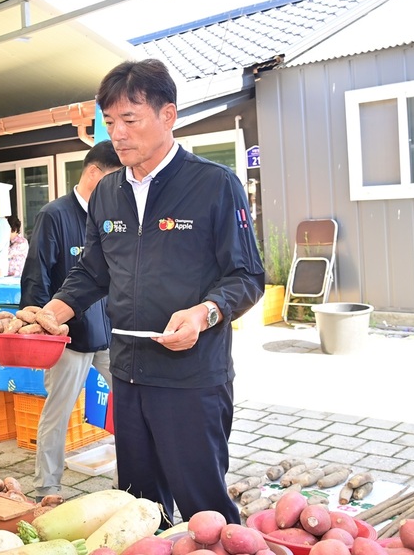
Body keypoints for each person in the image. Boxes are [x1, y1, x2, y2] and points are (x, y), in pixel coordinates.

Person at [41, 58, 264, 526]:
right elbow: (92, 271)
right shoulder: (107, 193)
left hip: (192, 375)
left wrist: (205, 313)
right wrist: (53, 312)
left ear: (168, 116)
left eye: (129, 119)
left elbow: (246, 277)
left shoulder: (213, 185)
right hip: (128, 373)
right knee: (138, 508)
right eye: (109, 122)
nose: (117, 134)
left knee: (205, 507)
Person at [20, 141, 121, 501]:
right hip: (68, 336)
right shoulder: (55, 214)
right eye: (115, 177)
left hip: (112, 333)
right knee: (58, 411)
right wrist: (36, 325)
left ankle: (126, 483)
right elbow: (37, 274)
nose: (119, 185)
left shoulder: (113, 212)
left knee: (129, 407)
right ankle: (47, 488)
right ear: (94, 172)